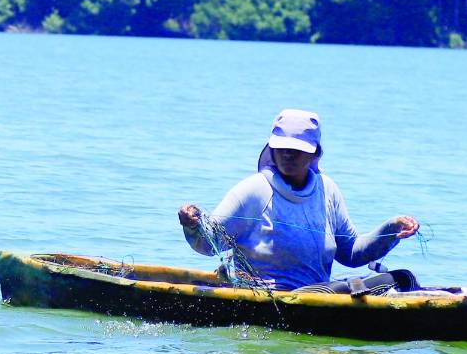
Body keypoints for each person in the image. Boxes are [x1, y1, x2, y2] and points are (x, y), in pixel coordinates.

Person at [178, 109, 419, 291]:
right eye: (281, 147)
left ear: (315, 152)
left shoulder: (328, 190)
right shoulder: (253, 191)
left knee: (401, 279)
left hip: (321, 295)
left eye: (296, 149)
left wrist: (392, 228)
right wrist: (192, 224)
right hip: (267, 297)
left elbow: (351, 254)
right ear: (271, 148)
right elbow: (209, 245)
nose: (287, 154)